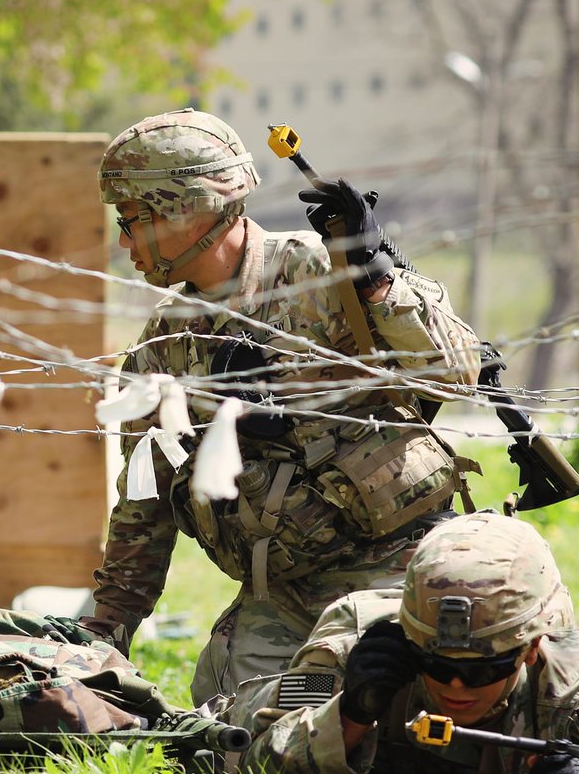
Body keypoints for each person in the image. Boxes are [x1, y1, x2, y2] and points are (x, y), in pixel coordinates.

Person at [86, 108, 482, 704]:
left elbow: (457, 372)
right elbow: (145, 503)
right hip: (284, 592)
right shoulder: (163, 347)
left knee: (404, 704)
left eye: (135, 218)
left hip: (395, 567)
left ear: (189, 209)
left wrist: (376, 279)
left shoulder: (326, 276)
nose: (123, 240)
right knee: (232, 729)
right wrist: (102, 636)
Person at [225, 512, 579, 774]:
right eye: (437, 664)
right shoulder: (358, 649)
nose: (458, 685)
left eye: (484, 669)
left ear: (530, 648)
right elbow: (246, 766)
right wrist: (350, 716)